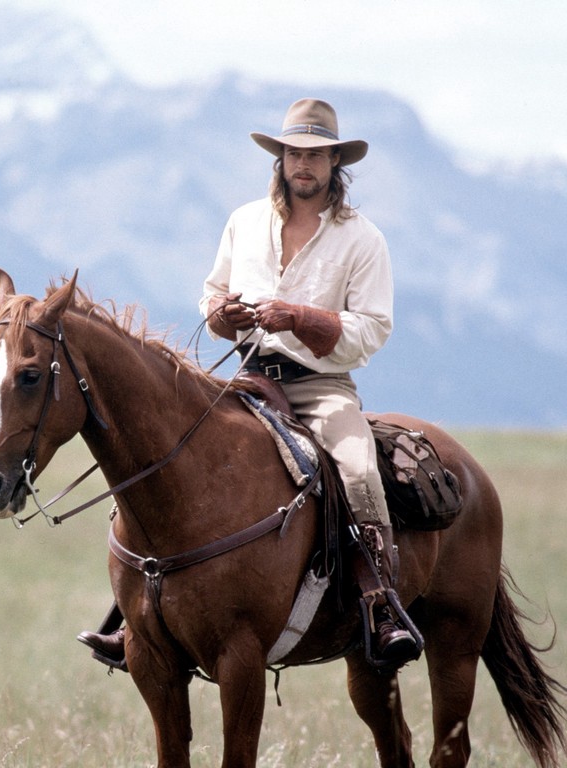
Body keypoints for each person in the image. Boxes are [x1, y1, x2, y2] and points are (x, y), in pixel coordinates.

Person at [79, 98, 418, 671]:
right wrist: (223, 316)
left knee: (358, 469)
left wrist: (301, 318)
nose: (301, 163)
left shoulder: (363, 240)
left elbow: (372, 330)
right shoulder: (243, 221)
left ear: (336, 161)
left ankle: (379, 604)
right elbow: (211, 294)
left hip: (322, 386)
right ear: (279, 158)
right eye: (292, 152)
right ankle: (133, 610)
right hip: (247, 376)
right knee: (171, 455)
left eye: (314, 154)